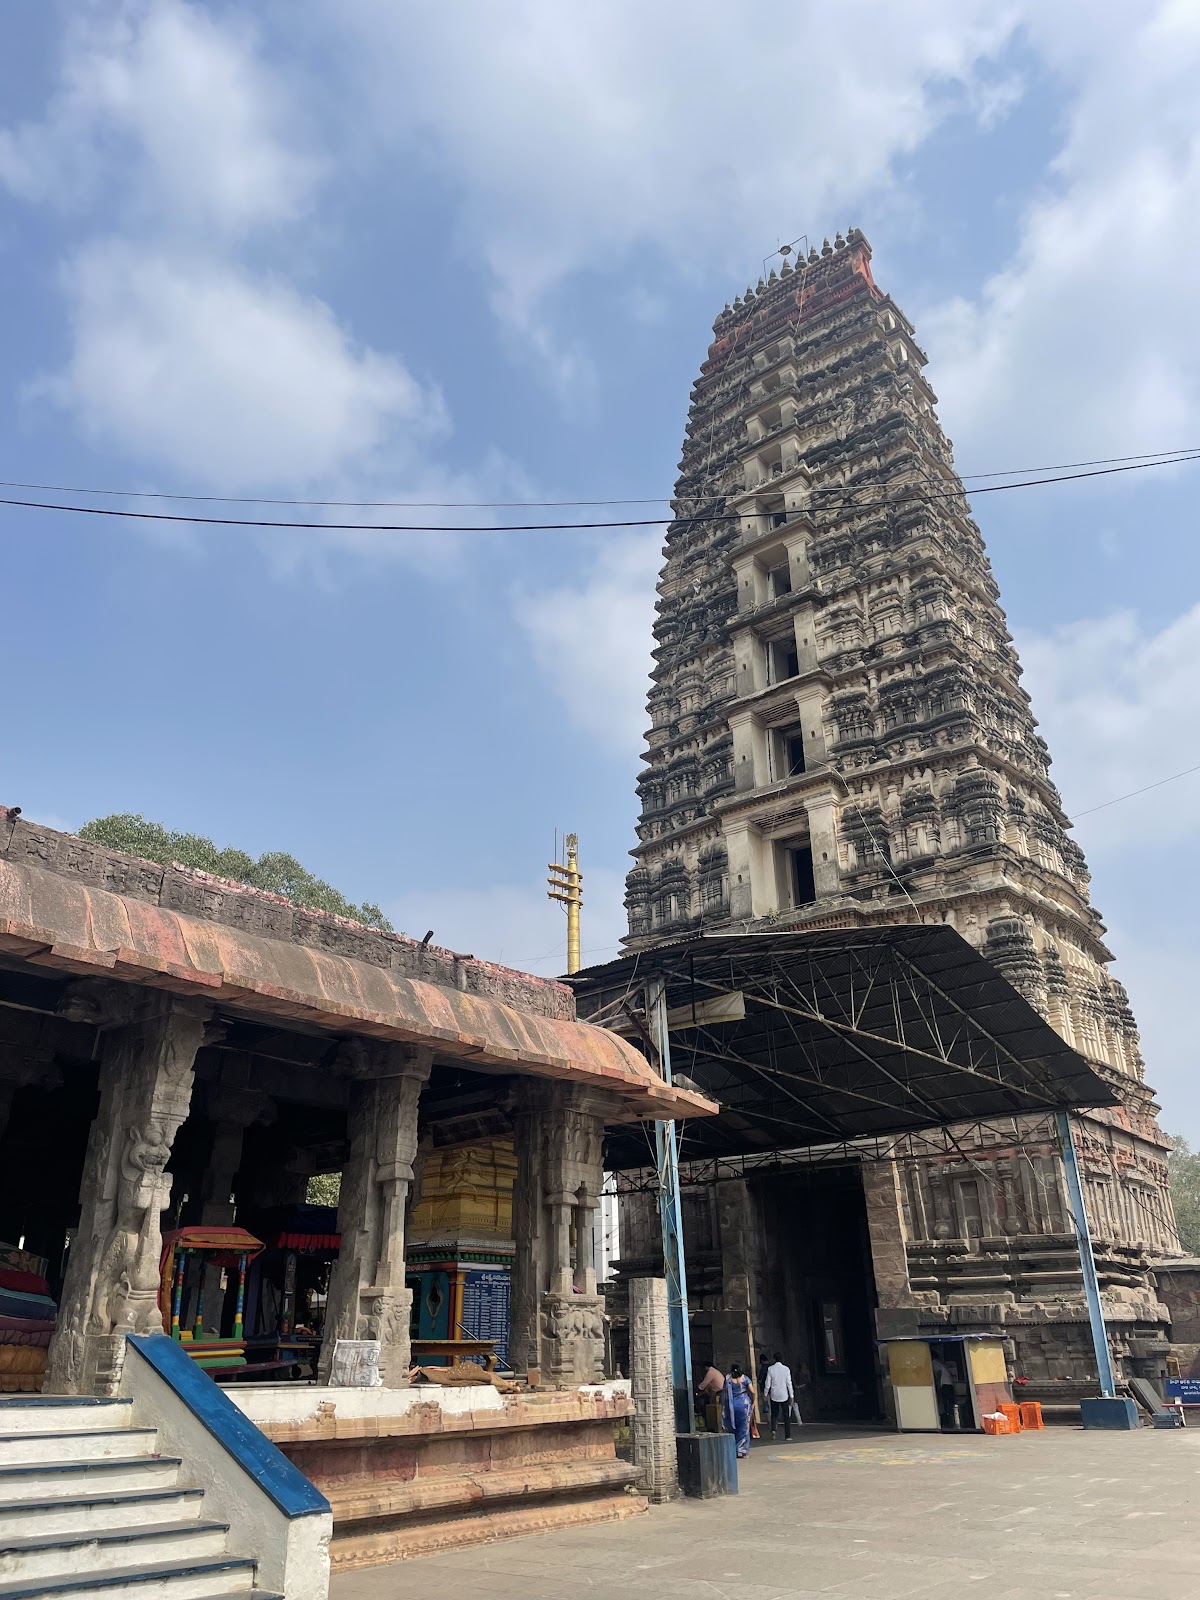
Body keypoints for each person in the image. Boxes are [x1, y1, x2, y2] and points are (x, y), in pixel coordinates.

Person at [721, 1362, 755, 1458]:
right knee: (744, 1428)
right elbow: (752, 1391)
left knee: (733, 1426)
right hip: (744, 1405)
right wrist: (753, 1402)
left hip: (731, 1406)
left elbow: (724, 1392)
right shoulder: (745, 1378)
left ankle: (733, 1449)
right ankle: (742, 1450)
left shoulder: (728, 1379)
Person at [763, 1351, 797, 1440]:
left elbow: (767, 1383)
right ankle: (787, 1435)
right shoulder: (786, 1369)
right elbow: (789, 1383)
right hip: (784, 1394)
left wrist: (765, 1393)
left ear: (774, 1359)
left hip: (774, 1394)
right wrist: (792, 1396)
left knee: (774, 1414)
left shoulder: (770, 1369)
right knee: (786, 1415)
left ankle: (773, 1430)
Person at [932, 1349, 957, 1429]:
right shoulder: (940, 1363)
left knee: (945, 1404)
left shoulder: (934, 1362)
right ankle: (952, 1422)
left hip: (944, 1385)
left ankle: (948, 1422)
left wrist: (938, 1384)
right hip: (949, 1384)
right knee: (949, 1404)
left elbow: (938, 1372)